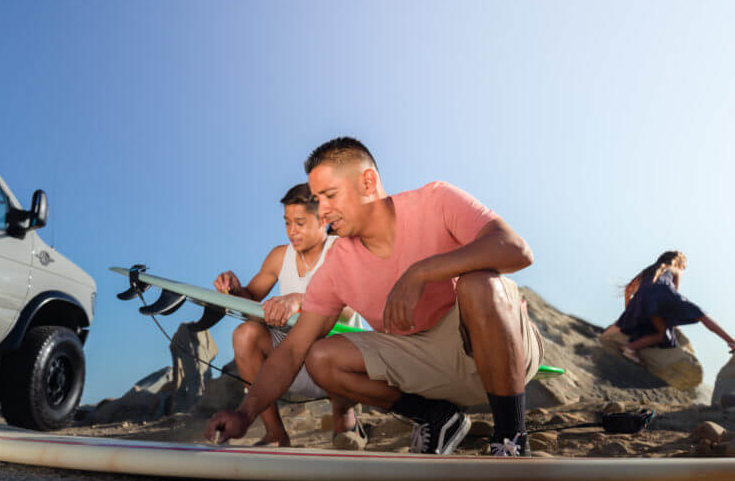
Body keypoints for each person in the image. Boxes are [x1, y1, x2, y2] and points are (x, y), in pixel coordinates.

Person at [207, 137, 543, 457]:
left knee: (479, 284)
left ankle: (511, 440)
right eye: (317, 199)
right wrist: (245, 415)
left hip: (495, 350)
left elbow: (516, 249)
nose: (322, 212)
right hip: (424, 364)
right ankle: (436, 416)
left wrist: (421, 272)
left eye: (329, 195)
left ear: (367, 182)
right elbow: (292, 350)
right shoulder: (339, 263)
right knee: (320, 355)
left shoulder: (435, 201)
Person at [213, 183, 364, 448]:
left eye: (300, 223)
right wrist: (235, 289)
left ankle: (345, 418)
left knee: (346, 440)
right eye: (287, 223)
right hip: (290, 357)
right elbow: (250, 299)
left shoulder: (341, 248)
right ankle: (276, 434)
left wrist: (300, 300)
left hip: (338, 358)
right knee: (245, 333)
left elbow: (349, 307)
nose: (291, 231)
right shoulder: (279, 256)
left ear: (323, 220)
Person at [602, 251, 735, 363]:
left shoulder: (649, 269)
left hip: (642, 297)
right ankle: (731, 341)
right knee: (701, 314)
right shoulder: (676, 270)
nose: (684, 269)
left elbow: (628, 290)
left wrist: (630, 309)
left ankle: (629, 348)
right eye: (685, 266)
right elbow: (675, 292)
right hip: (663, 293)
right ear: (679, 263)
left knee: (662, 334)